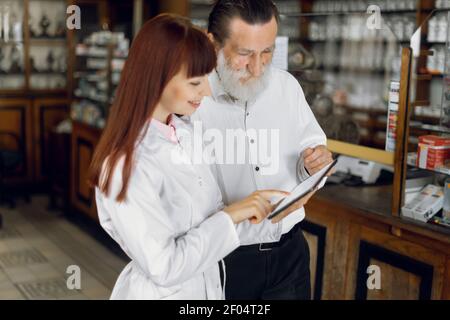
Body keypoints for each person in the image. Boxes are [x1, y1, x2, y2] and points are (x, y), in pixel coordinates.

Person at [88, 14, 288, 300]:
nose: (207, 92)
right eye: (196, 83)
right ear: (158, 80)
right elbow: (165, 267)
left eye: (207, 78)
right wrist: (232, 215)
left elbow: (213, 220)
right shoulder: (124, 166)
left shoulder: (185, 134)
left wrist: (269, 211)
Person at [192, 0, 334, 299]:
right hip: (226, 259)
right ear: (212, 42)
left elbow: (311, 146)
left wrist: (313, 162)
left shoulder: (286, 87)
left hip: (290, 254)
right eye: (244, 54)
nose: (257, 68)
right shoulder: (192, 99)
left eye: (267, 51)